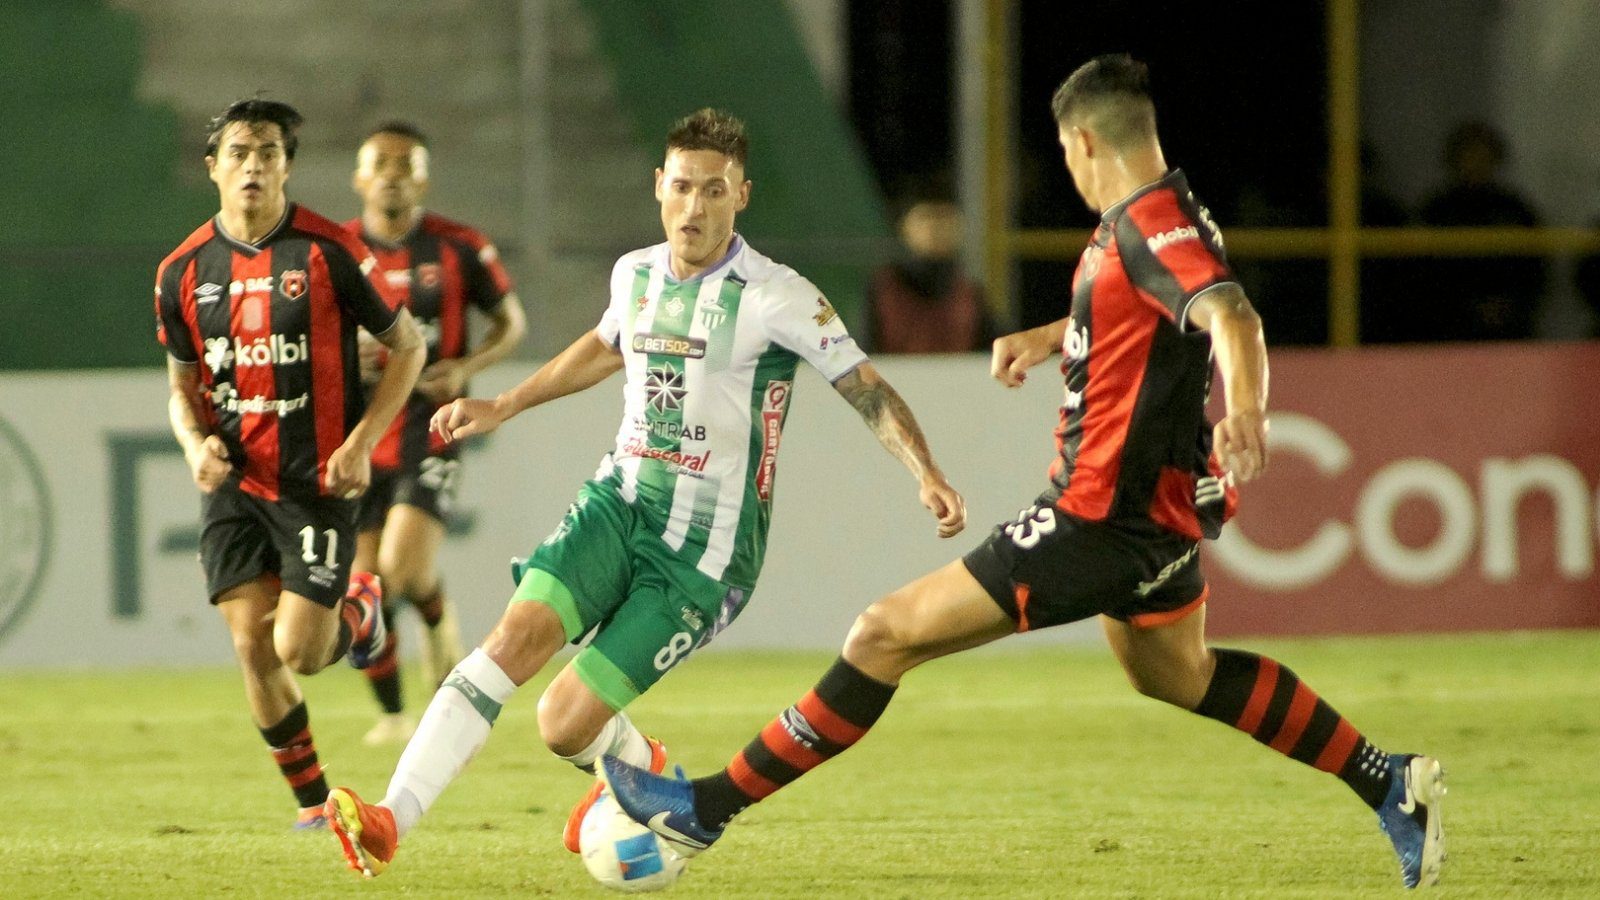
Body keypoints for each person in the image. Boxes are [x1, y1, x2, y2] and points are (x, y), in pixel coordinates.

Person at [602, 56, 1447, 890]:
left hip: (1098, 516)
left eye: (1065, 151)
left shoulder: (1152, 227)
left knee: (881, 635)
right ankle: (1388, 781)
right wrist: (1051, 338)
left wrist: (1249, 410)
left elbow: (1233, 316)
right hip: (1157, 514)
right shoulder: (1161, 216)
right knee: (1178, 674)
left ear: (1084, 142)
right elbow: (1146, 317)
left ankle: (705, 809)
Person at [322, 107, 966, 877]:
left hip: (705, 554)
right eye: (683, 186)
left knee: (563, 724)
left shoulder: (777, 296)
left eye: (715, 190)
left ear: (742, 196)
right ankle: (392, 818)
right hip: (618, 502)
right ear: (659, 185)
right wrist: (504, 404)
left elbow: (865, 387)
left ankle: (642, 767)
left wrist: (925, 471)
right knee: (510, 643)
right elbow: (605, 348)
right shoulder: (635, 273)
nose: (696, 206)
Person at [153, 98, 425, 829]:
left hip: (315, 482)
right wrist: (194, 445)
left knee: (300, 651)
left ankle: (361, 612)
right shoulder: (181, 270)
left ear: (287, 167)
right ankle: (313, 807)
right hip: (235, 483)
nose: (253, 166)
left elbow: (408, 346)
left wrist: (361, 441)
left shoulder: (330, 251)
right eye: (239, 153)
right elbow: (181, 388)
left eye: (268, 153)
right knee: (252, 645)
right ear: (213, 168)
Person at [342, 121, 528, 746]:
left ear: (424, 180)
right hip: (360, 428)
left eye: (407, 165)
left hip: (432, 422)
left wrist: (467, 368)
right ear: (359, 178)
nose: (393, 175)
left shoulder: (459, 247)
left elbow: (511, 322)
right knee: (363, 585)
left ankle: (430, 609)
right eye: (381, 164)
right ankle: (396, 713)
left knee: (396, 567)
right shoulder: (336, 251)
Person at [1416, 120, 1544, 342]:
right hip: (1447, 328)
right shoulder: (1436, 212)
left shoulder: (1515, 209)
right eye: (1469, 155)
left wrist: (1506, 305)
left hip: (1508, 326)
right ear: (1454, 159)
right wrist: (1467, 308)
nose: (1476, 163)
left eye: (1484, 156)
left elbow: (1535, 268)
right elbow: (1423, 273)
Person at [864, 196, 995, 353]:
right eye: (925, 217)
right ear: (905, 227)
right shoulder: (883, 290)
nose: (935, 227)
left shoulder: (969, 293)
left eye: (945, 217)